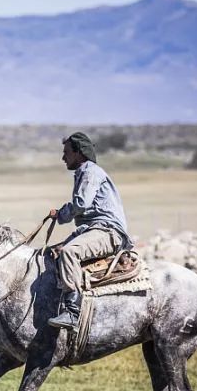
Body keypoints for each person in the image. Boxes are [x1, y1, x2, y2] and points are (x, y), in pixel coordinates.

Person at [46, 132, 133, 330]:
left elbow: (81, 203)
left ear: (79, 153)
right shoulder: (83, 173)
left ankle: (73, 312)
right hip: (91, 229)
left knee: (69, 252)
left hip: (107, 231)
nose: (63, 157)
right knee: (52, 253)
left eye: (66, 152)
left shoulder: (90, 171)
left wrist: (60, 214)